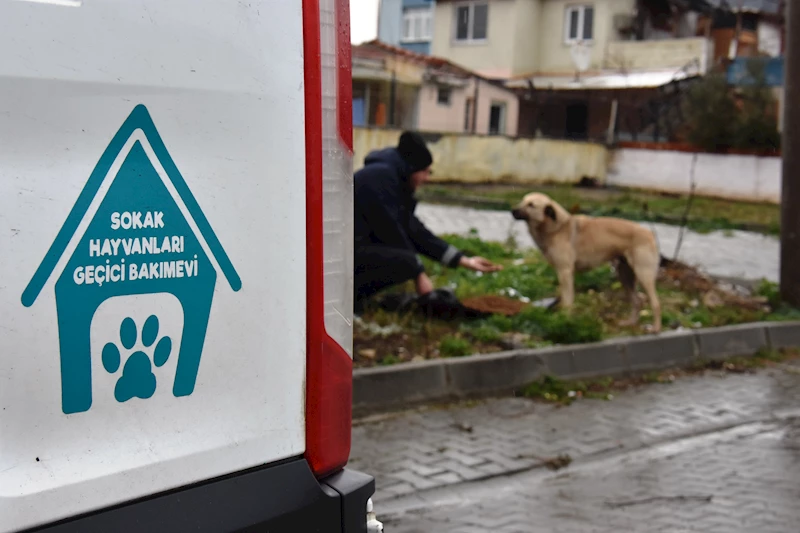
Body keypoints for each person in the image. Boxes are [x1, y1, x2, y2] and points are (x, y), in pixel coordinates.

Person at [353, 131, 502, 313]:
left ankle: (356, 300)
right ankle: (352, 300)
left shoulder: (392, 178)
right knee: (405, 263)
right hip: (343, 254)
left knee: (406, 261)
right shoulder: (379, 178)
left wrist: (463, 260)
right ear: (412, 167)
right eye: (425, 172)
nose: (427, 178)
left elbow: (413, 230)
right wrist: (418, 272)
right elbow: (389, 230)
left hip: (354, 251)